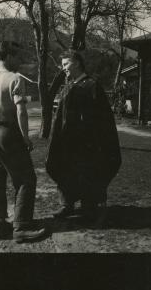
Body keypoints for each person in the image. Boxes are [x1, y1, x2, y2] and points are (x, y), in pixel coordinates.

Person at [0, 40, 46, 242]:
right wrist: (24, 137)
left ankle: (0, 224)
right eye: (18, 57)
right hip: (9, 132)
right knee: (26, 179)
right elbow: (21, 110)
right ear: (9, 56)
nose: (20, 61)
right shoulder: (15, 79)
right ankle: (21, 227)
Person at [46, 50, 121, 224]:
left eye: (66, 64)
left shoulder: (92, 86)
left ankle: (90, 208)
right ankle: (67, 205)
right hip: (68, 144)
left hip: (88, 144)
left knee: (89, 174)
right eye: (62, 65)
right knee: (65, 171)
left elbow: (102, 119)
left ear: (77, 63)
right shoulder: (68, 87)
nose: (63, 68)